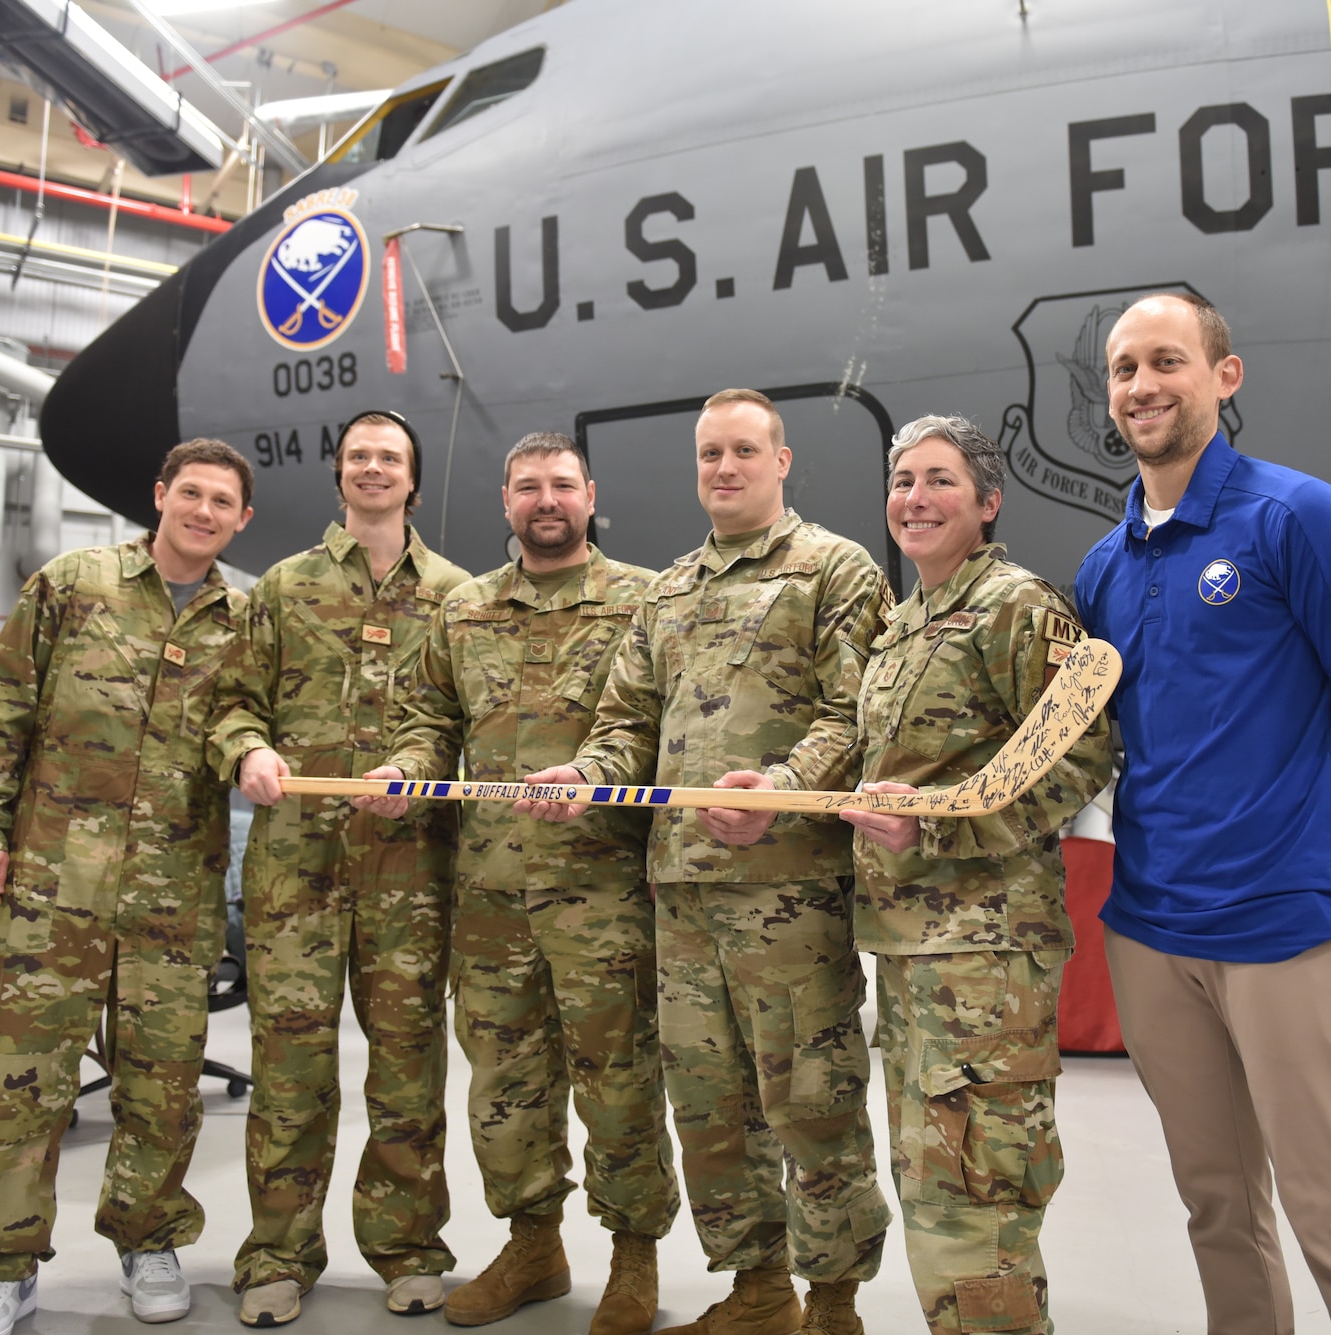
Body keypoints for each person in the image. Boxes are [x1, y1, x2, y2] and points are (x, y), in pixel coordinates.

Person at [1072, 293, 1331, 1335]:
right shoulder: (1104, 568)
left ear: (1222, 379)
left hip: (1281, 925)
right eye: (1123, 368)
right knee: (1217, 1205)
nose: (1142, 385)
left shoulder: (1294, 517)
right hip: (1149, 933)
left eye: (1166, 362)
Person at [520, 389, 894, 1335]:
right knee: (710, 1106)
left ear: (781, 459)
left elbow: (856, 717)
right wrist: (586, 770)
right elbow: (625, 727)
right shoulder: (669, 589)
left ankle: (834, 1305)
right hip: (681, 891)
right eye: (708, 455)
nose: (723, 468)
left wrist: (777, 786)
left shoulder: (834, 570)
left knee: (812, 1102)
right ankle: (758, 1290)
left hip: (792, 894)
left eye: (741, 451)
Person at [356, 432, 678, 1333]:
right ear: (505, 500)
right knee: (503, 1088)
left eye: (562, 485)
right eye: (529, 485)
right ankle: (533, 1243)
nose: (547, 499)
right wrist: (404, 770)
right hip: (491, 897)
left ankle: (633, 1255)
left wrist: (595, 776)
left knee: (618, 1084)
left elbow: (656, 727)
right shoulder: (462, 610)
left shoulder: (643, 601)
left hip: (604, 894)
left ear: (589, 495)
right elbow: (429, 722)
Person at [0, 439, 256, 1334]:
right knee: (21, 1079)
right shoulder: (73, 584)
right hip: (49, 883)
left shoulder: (245, 619)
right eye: (189, 492)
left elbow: (251, 727)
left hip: (175, 893)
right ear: (160, 496)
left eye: (221, 501)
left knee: (161, 1083)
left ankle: (147, 1240)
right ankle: (2, 1266)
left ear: (242, 520)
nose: (202, 511)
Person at [841, 415, 1110, 1335]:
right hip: (913, 947)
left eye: (941, 480)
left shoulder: (1014, 606)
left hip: (986, 952)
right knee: (930, 1174)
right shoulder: (903, 624)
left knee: (982, 1177)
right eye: (904, 479)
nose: (915, 498)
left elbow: (1082, 754)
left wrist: (941, 835)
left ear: (988, 502)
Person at [211, 410, 471, 1327]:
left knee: (406, 1067)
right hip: (296, 872)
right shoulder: (282, 587)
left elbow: (458, 720)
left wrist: (419, 769)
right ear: (338, 474)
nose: (372, 468)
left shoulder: (454, 594)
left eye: (389, 458)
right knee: (289, 1068)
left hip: (409, 870)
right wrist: (247, 749)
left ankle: (408, 1247)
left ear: (412, 479)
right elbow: (235, 701)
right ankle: (278, 1253)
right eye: (358, 456)